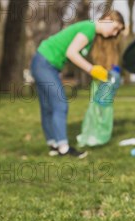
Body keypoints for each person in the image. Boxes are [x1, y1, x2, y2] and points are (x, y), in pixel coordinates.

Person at [31, 11, 125, 158]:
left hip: (45, 63)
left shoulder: (91, 33)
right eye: (115, 28)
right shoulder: (89, 28)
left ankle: (54, 145)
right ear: (107, 19)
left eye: (118, 31)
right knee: (60, 105)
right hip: (45, 63)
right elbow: (71, 53)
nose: (115, 33)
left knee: (48, 107)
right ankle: (64, 148)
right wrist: (91, 69)